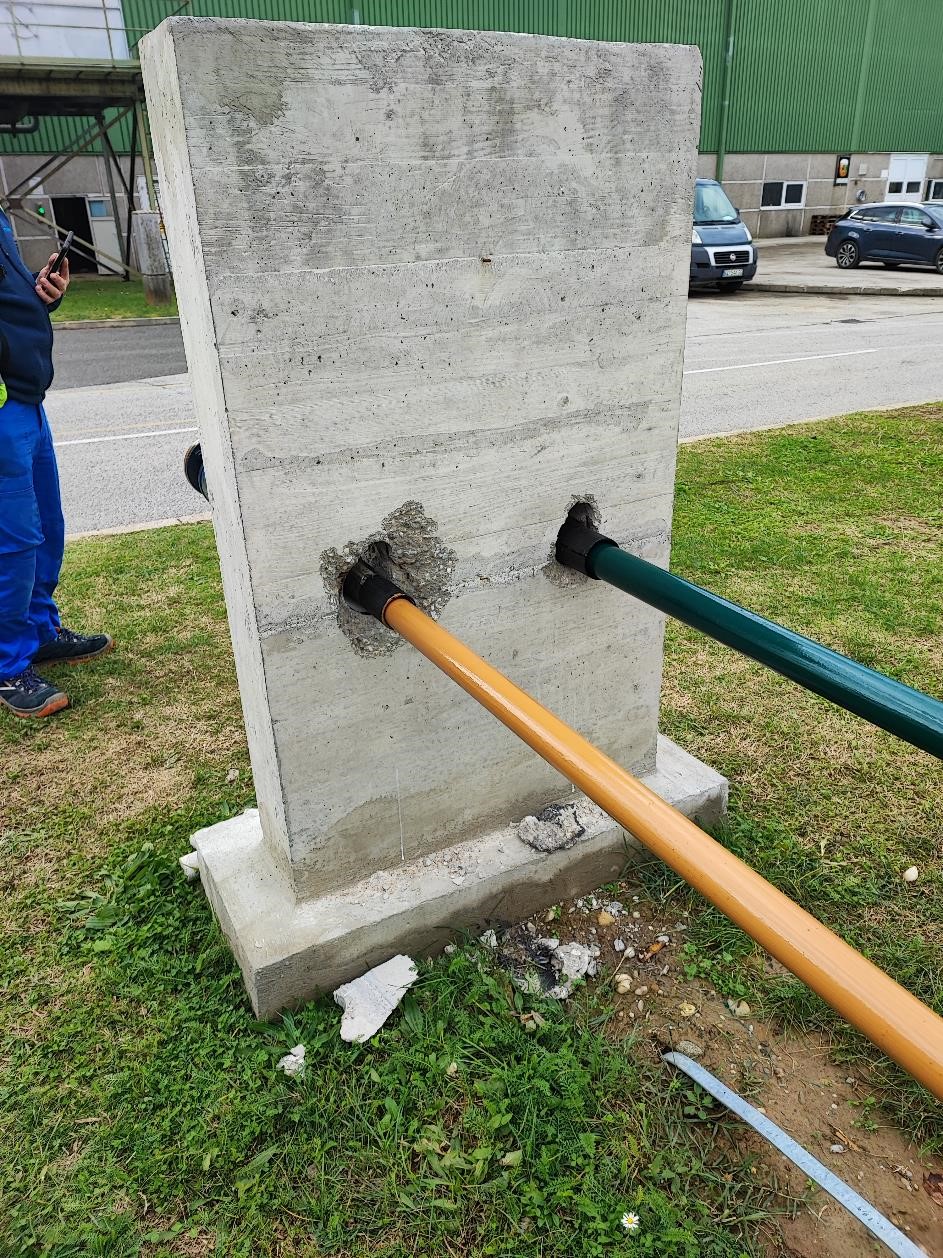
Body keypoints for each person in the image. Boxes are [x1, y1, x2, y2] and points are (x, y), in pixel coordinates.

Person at [0, 207, 113, 718]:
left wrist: (41, 294)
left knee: (46, 527)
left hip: (27, 398)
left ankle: (40, 632)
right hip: (4, 403)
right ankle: (7, 666)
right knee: (13, 543)